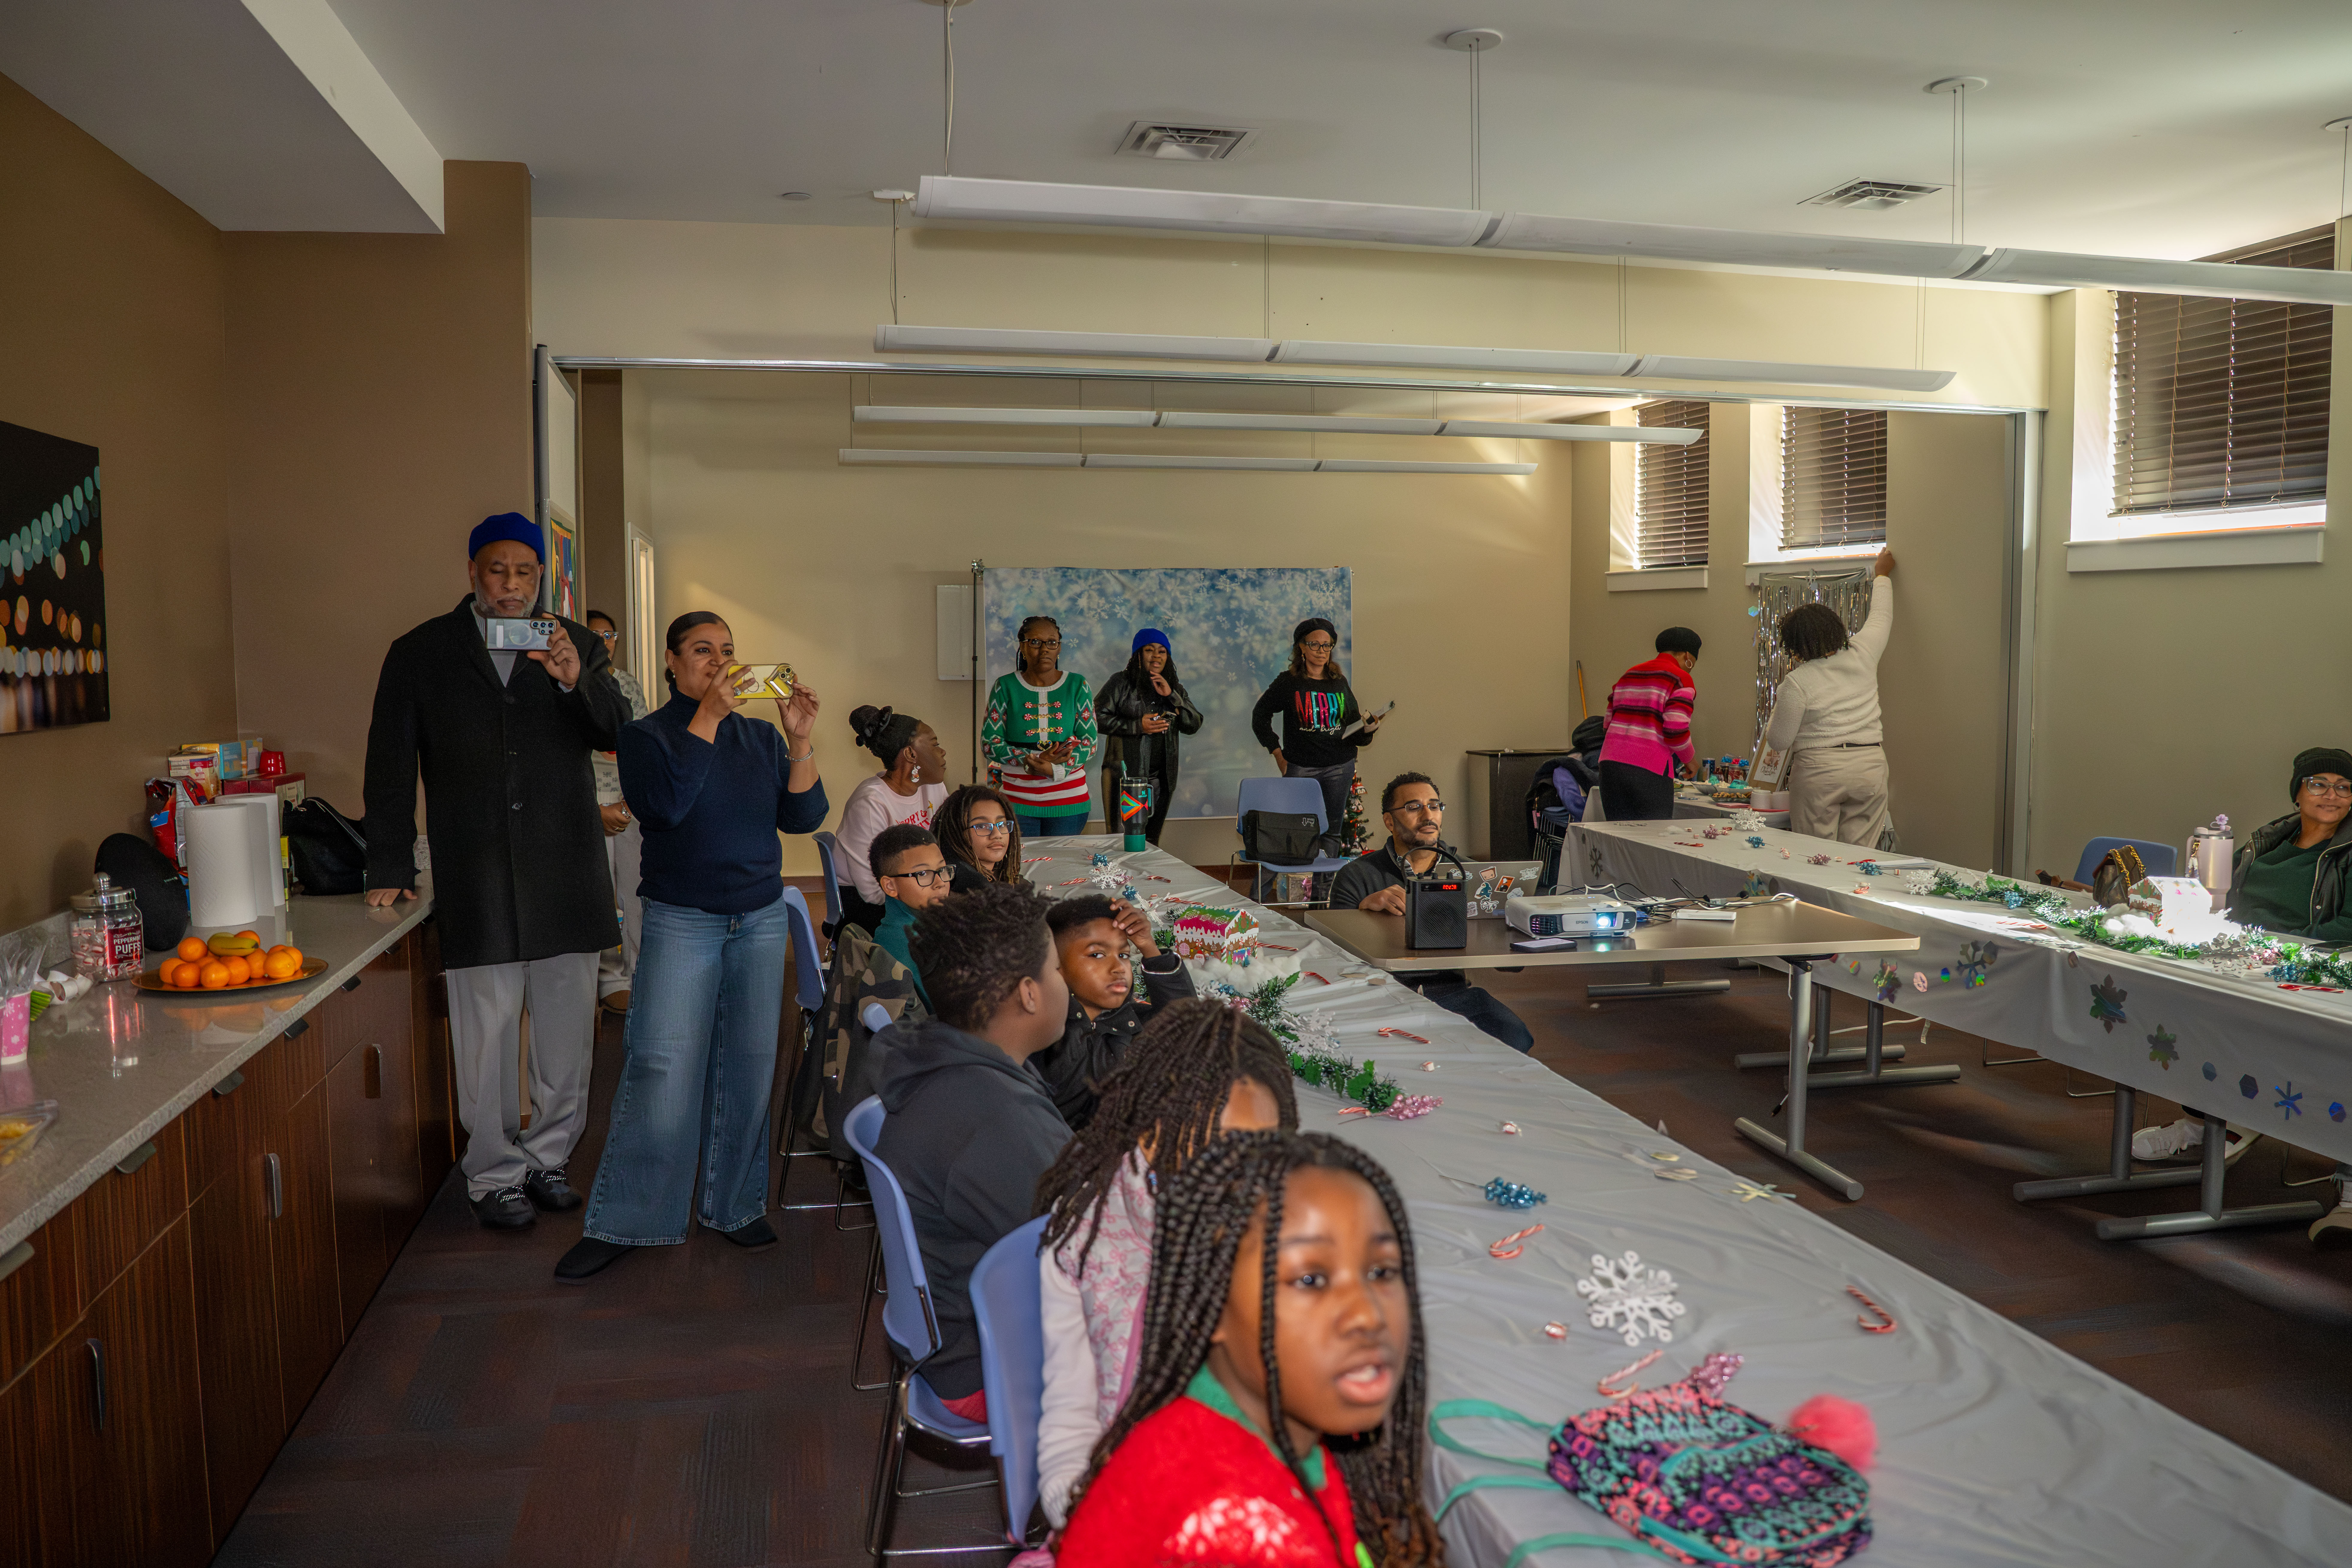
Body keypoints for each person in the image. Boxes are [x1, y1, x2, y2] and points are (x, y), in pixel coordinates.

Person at [363, 512, 630, 1231]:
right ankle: (491, 1173)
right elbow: (389, 765)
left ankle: (549, 1156)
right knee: (484, 1033)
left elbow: (615, 732)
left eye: (525, 573)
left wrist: (577, 681)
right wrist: (387, 860)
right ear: (473, 573)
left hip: (565, 864)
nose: (511, 586)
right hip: (476, 866)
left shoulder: (574, 643)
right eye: (497, 570)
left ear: (542, 578)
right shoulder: (421, 652)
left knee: (568, 1030)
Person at [555, 611, 825, 1280]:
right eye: (702, 651)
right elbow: (666, 806)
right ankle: (632, 1218)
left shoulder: (761, 736)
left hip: (759, 919)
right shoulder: (647, 736)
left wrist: (799, 741)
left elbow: (803, 817)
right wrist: (705, 717)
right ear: (672, 663)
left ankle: (734, 1205)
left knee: (751, 1063)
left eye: (727, 651)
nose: (717, 661)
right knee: (662, 1068)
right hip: (683, 920)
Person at [1053, 1131, 1441, 1568]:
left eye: (1382, 1271)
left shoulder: (1225, 1425)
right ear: (1212, 1304)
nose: (1367, 1315)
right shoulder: (1245, 1530)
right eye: (1310, 1280)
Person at [1032, 1002, 1299, 1531]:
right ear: (1148, 1131)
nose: (1230, 1180)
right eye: (1203, 1151)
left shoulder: (1294, 1239)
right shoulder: (1086, 1240)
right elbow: (1069, 1427)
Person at [874, 881, 1074, 1420]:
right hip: (990, 1361)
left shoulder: (953, 1061)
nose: (1065, 981)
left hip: (967, 1323)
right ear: (1029, 994)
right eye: (1057, 969)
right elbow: (1087, 1253)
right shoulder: (992, 1117)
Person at [2132, 746, 2352, 1175]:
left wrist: (2276, 950)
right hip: (2239, 952)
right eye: (2318, 784)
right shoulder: (2266, 841)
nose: (2332, 794)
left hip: (2300, 966)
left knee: (2232, 1016)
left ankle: (2238, 1116)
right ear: (2297, 793)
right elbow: (2218, 893)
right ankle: (2200, 1120)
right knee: (2185, 1004)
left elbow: (2345, 928)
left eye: (2344, 787)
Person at [1327, 773, 1535, 1052]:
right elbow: (1332, 956)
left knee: (1515, 1037)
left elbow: (1511, 963)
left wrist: (1508, 927)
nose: (1428, 815)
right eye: (1414, 807)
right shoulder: (1357, 876)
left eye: (1435, 806)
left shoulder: (1473, 876)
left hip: (1450, 993)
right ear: (1389, 821)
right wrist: (1364, 911)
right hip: (1380, 995)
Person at [815, 824, 949, 1144]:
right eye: (923, 875)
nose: (940, 884)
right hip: (938, 1058)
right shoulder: (914, 942)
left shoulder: (898, 927)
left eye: (943, 871)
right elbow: (951, 1010)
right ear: (889, 885)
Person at [1763, 549, 1897, 848]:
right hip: (1869, 765)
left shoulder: (1796, 682)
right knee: (1859, 861)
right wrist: (1883, 575)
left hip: (1818, 770)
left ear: (1794, 647)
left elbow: (1779, 741)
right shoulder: (1863, 651)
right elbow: (1881, 615)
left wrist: (1778, 708)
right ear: (1836, 628)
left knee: (1816, 858)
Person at [1033, 894, 1198, 1128]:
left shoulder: (1131, 1023)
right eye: (1097, 955)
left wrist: (1148, 946)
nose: (1118, 968)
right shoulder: (1042, 1035)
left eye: (1124, 955)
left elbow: (1191, 1026)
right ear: (1055, 966)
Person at [1251, 617, 1380, 851]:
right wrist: (1278, 755)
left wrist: (1369, 728)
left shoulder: (1338, 682)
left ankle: (1324, 889)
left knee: (1331, 833)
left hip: (1340, 767)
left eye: (1327, 645)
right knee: (1292, 831)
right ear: (1301, 647)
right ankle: (1281, 886)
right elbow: (1260, 717)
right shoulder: (1289, 682)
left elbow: (1353, 726)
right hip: (1301, 768)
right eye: (1315, 644)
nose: (1322, 651)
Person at [585, 609, 650, 1015]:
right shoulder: (570, 685)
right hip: (589, 805)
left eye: (610, 634)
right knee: (602, 896)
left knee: (635, 893)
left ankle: (640, 975)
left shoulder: (627, 683)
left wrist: (627, 805)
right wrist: (596, 809)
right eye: (595, 634)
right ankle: (609, 978)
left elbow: (640, 746)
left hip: (629, 805)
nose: (604, 641)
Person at [836, 706, 949, 935]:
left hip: (919, 887)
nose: (943, 752)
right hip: (874, 907)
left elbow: (948, 846)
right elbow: (873, 891)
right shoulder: (870, 804)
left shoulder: (934, 787)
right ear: (911, 754)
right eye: (935, 745)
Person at [983, 615, 1099, 838]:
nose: (1044, 649)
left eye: (1052, 642)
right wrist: (1032, 760)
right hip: (1017, 805)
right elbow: (989, 744)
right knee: (1021, 869)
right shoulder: (1005, 686)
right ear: (1023, 647)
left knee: (1061, 870)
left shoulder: (1078, 685)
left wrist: (1057, 769)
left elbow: (1090, 742)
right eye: (1035, 642)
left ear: (1059, 648)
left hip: (1069, 803)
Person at [1095, 629, 1203, 846]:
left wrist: (1172, 696)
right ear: (1138, 654)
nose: (1157, 655)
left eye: (1162, 651)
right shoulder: (1120, 683)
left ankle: (1147, 881)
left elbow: (1194, 724)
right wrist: (1138, 726)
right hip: (1123, 779)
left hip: (1162, 781)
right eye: (1149, 650)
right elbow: (1095, 718)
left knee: (1152, 843)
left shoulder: (1174, 689)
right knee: (1121, 841)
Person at [1595, 627, 1700, 822]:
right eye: (1693, 662)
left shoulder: (1629, 675)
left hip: (1610, 767)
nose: (1691, 667)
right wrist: (1691, 761)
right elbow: (1675, 731)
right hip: (1649, 770)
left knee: (1619, 839)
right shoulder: (1682, 679)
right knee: (1652, 841)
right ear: (1687, 655)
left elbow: (1607, 725)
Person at [936, 782, 1025, 894]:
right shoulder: (964, 892)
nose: (997, 835)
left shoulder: (1000, 874)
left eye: (1002, 824)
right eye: (982, 826)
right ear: (956, 833)